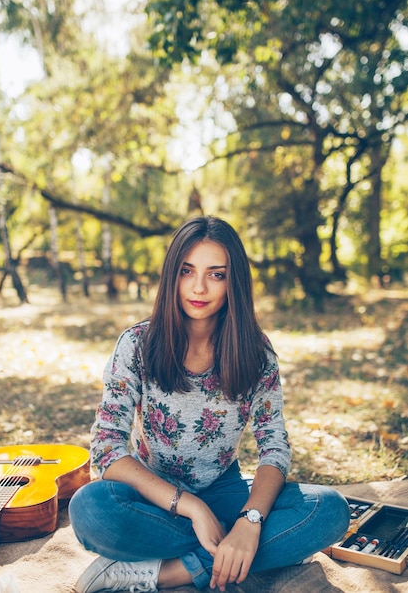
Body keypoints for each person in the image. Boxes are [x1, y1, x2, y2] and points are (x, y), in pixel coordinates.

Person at [69, 215, 349, 593]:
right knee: (90, 509)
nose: (199, 287)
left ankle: (167, 572)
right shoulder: (136, 345)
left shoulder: (256, 353)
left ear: (234, 281)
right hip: (152, 497)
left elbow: (274, 448)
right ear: (172, 275)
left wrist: (250, 521)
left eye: (216, 274)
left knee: (329, 510)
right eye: (187, 271)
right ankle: (248, 550)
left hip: (224, 491)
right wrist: (192, 508)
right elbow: (105, 450)